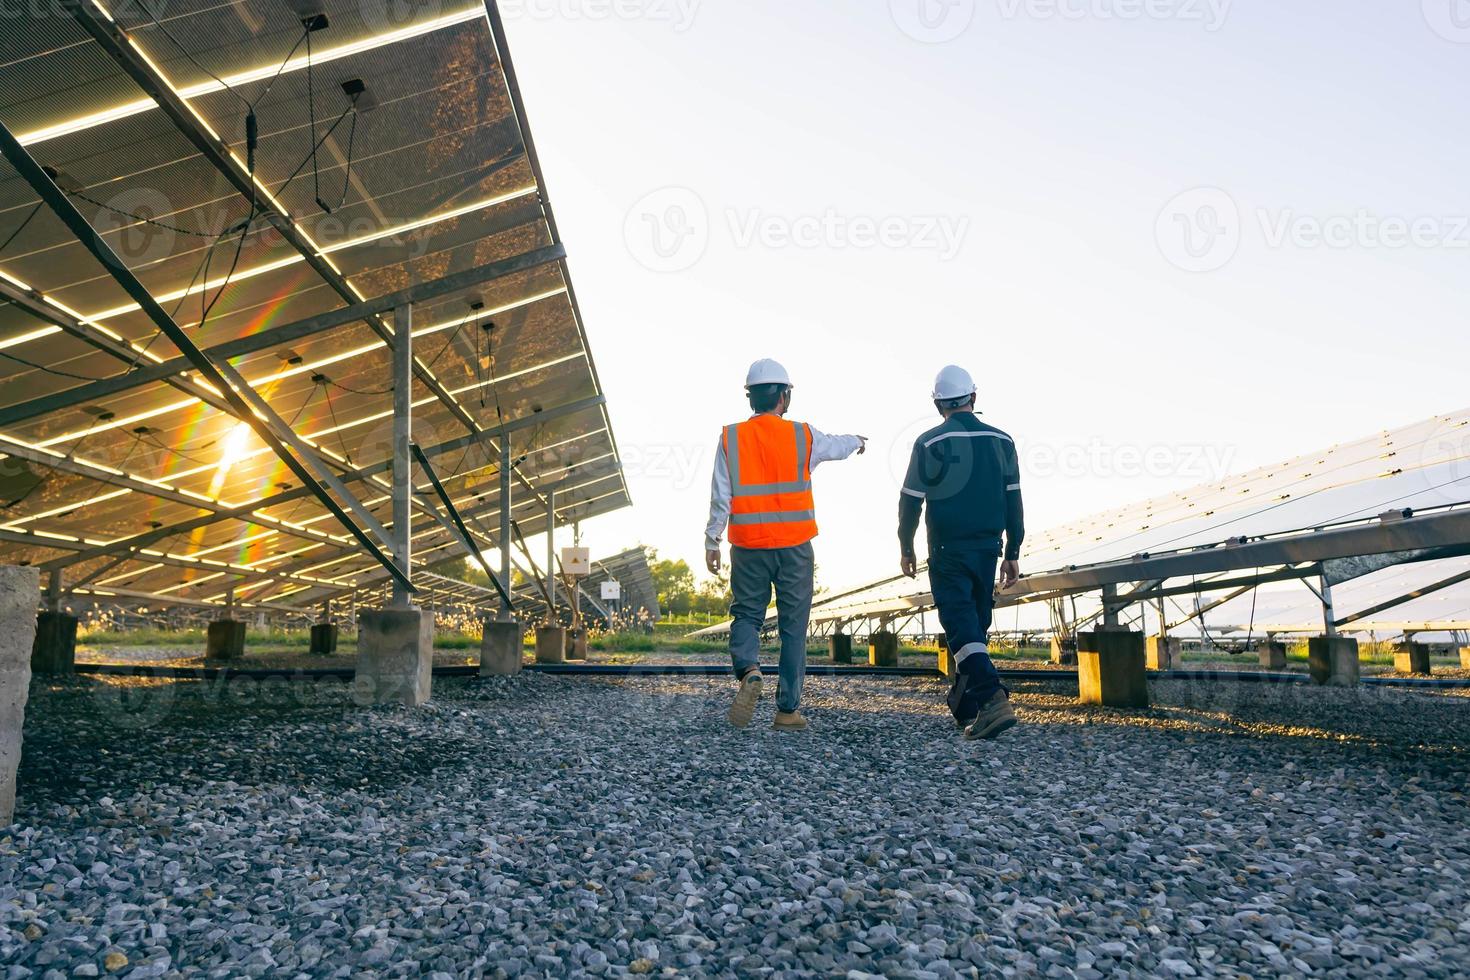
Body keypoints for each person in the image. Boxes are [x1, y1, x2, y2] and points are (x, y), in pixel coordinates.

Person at [705, 358, 867, 731]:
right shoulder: (803, 435)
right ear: (783, 395)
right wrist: (857, 441)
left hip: (746, 545)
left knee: (747, 615)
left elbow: (720, 494)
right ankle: (787, 711)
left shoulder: (730, 437)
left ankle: (748, 670)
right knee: (794, 628)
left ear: (751, 398)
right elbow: (835, 446)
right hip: (794, 546)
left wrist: (712, 539)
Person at [897, 365, 1025, 740]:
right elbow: (1014, 500)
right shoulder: (1002, 441)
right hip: (988, 548)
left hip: (947, 548)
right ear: (974, 397)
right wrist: (1013, 550)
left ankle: (992, 699)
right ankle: (965, 705)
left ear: (938, 404)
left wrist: (906, 546)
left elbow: (910, 502)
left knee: (961, 625)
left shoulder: (929, 442)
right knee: (974, 627)